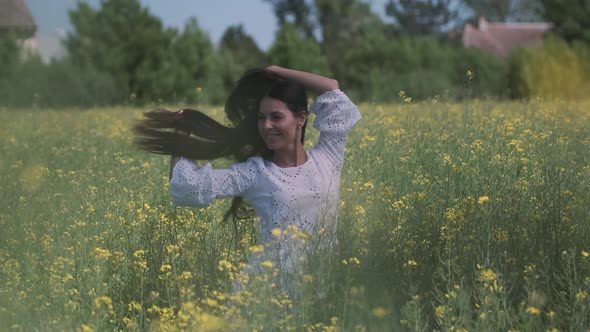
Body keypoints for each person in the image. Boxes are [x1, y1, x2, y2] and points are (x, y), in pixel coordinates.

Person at [134, 66, 361, 297]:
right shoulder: (256, 173)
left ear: (301, 118)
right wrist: (181, 135)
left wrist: (274, 70)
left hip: (324, 287)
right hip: (271, 293)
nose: (266, 126)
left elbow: (332, 90)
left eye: (276, 117)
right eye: (261, 118)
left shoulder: (328, 158)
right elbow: (186, 188)